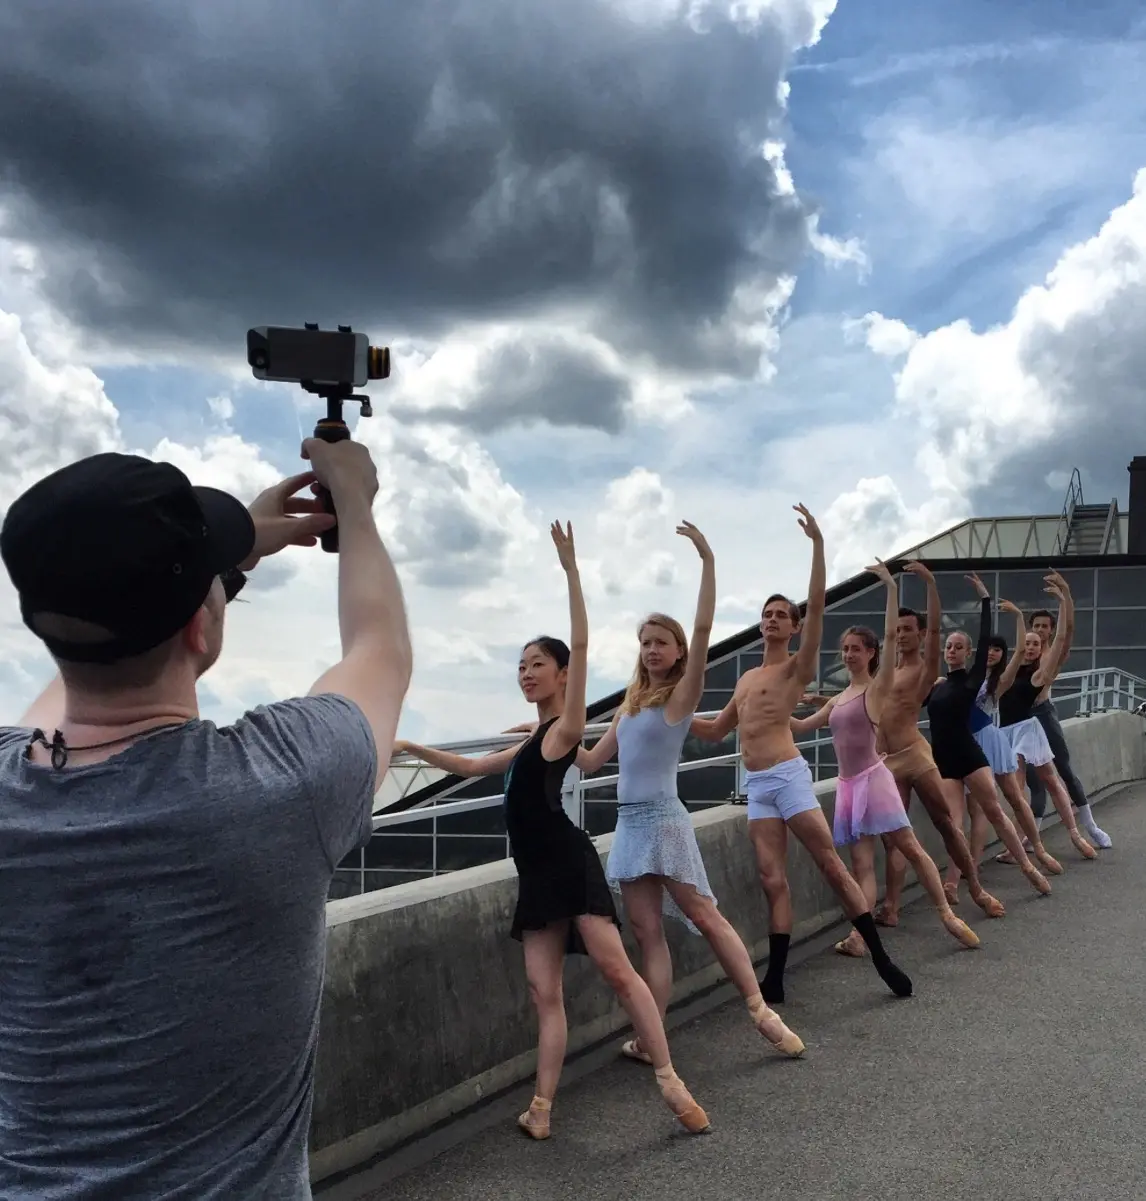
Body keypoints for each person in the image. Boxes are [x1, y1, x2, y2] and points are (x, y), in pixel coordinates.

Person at [0, 442, 413, 1200]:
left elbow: (67, 689)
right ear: (201, 627)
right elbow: (379, 650)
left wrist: (212, 563)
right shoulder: (284, 781)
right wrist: (353, 506)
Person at [393, 522, 709, 1141]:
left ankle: (669, 1078)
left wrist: (570, 571)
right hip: (536, 875)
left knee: (620, 972)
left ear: (563, 676)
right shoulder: (531, 738)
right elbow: (476, 766)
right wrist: (409, 746)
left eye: (538, 664)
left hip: (569, 863)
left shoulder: (563, 729)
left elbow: (583, 648)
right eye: (521, 665)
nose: (526, 672)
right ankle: (541, 1109)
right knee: (544, 993)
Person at [574, 522, 805, 1067]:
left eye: (661, 642)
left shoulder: (680, 698)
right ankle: (654, 1040)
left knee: (704, 915)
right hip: (630, 826)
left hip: (664, 819)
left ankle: (760, 1011)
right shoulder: (628, 708)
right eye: (645, 643)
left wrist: (706, 559)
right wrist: (543, 734)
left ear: (678, 652)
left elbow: (703, 629)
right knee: (648, 936)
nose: (652, 650)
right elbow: (586, 761)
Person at [691, 506, 912, 1004]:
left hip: (788, 776)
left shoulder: (796, 668)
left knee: (830, 865)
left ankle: (881, 958)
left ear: (793, 628)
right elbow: (715, 731)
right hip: (758, 786)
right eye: (765, 614)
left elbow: (816, 605)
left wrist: (817, 546)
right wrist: (669, 717)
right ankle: (776, 977)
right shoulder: (747, 679)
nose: (771, 620)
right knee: (772, 878)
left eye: (780, 616)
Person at [789, 560, 980, 957]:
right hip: (848, 787)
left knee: (910, 846)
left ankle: (947, 912)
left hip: (877, 778)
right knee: (862, 864)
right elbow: (800, 727)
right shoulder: (839, 699)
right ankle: (861, 935)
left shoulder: (877, 688)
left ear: (871, 653)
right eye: (844, 650)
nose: (848, 655)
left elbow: (893, 636)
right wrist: (761, 710)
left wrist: (892, 588)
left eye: (855, 649)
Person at [873, 562, 1005, 927]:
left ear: (918, 634)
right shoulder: (886, 671)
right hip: (887, 761)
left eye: (907, 630)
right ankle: (892, 907)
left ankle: (975, 888)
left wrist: (930, 583)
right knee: (894, 837)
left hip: (915, 755)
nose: (900, 635)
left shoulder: (925, 669)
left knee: (946, 823)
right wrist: (822, 702)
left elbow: (934, 628)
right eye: (897, 630)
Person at [919, 574, 1052, 901]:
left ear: (968, 653)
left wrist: (984, 598)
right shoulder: (937, 686)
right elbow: (897, 707)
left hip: (971, 754)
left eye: (958, 647)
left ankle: (1028, 866)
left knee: (995, 810)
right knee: (953, 824)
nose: (951, 651)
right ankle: (959, 881)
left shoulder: (972, 679)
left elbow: (985, 634)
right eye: (948, 646)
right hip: (944, 760)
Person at [943, 635, 1063, 894]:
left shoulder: (998, 681)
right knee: (976, 811)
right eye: (988, 649)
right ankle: (971, 866)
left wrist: (1019, 618)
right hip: (966, 742)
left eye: (997, 649)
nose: (992, 653)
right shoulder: (966, 679)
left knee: (1013, 798)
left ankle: (1037, 849)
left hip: (989, 740)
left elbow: (1020, 651)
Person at [996, 580, 1098, 862]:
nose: (1029, 646)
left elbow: (1064, 637)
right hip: (1007, 732)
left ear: (1043, 646)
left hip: (1027, 730)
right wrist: (1017, 616)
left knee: (1051, 780)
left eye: (1035, 643)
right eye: (1026, 642)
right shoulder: (1013, 667)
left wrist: (1065, 599)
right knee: (1023, 789)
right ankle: (1021, 844)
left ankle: (1076, 833)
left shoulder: (1041, 672)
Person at [1014, 602, 1111, 851]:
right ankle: (1031, 835)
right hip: (1024, 719)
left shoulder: (1051, 656)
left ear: (1051, 630)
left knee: (1064, 770)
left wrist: (1064, 597)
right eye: (1036, 626)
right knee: (1035, 781)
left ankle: (1090, 826)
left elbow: (1066, 634)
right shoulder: (1022, 656)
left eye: (1045, 626)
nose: (1041, 630)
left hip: (1044, 714)